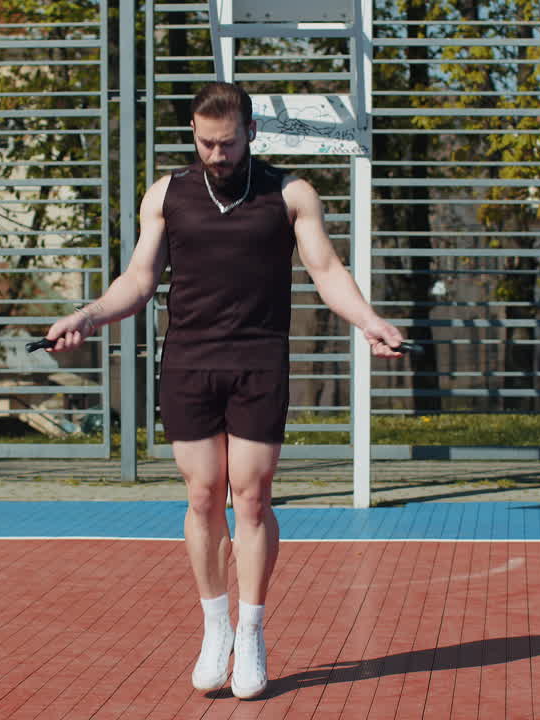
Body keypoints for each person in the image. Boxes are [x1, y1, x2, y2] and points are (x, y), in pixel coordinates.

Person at [44, 82, 405, 699]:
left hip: (259, 359)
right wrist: (89, 315)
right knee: (204, 493)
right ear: (193, 133)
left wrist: (370, 322)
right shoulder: (166, 195)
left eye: (228, 142)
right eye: (205, 142)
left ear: (251, 134)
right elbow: (139, 276)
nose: (216, 153)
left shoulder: (290, 194)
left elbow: (325, 270)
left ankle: (252, 631)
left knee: (253, 498)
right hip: (188, 360)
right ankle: (215, 626)